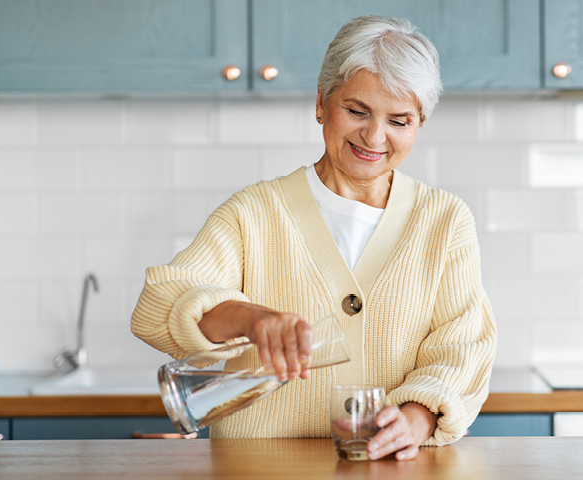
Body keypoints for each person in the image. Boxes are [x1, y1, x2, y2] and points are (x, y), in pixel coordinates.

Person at [131, 15, 496, 461]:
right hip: (256, 472)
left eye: (399, 120)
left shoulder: (444, 221)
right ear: (322, 102)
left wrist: (416, 416)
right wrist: (252, 319)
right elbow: (161, 302)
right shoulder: (255, 212)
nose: (374, 136)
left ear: (420, 122)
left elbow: (463, 349)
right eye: (356, 111)